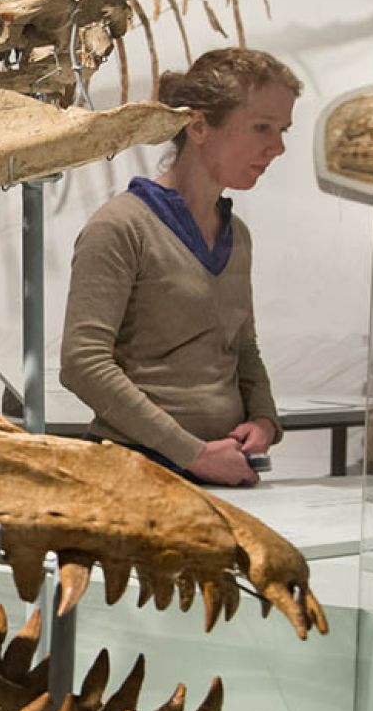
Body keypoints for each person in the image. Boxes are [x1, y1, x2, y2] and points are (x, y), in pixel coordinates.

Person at [60, 48, 302, 487]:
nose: (278, 147)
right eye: (262, 127)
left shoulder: (236, 234)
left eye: (282, 129)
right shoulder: (121, 227)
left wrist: (264, 420)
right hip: (137, 475)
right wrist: (193, 454)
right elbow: (83, 364)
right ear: (199, 125)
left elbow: (243, 349)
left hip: (223, 470)